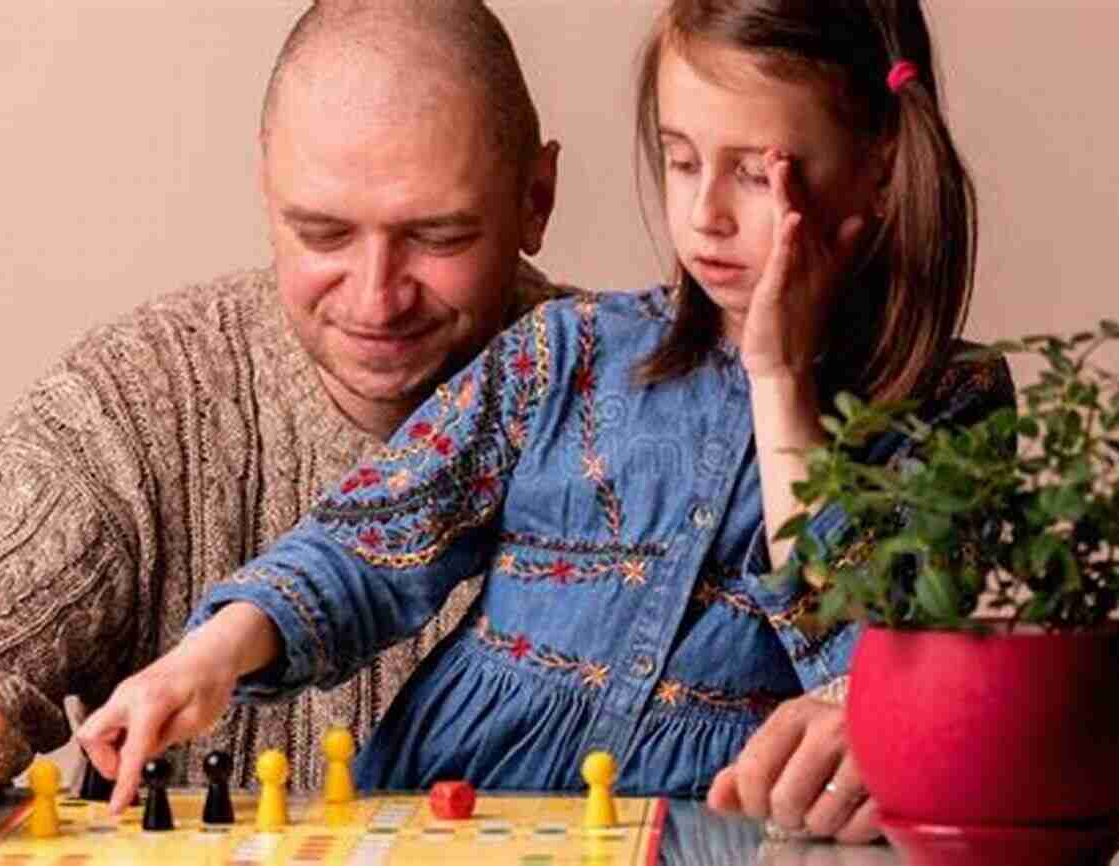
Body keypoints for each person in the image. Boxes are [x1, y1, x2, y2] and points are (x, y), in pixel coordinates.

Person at [78, 0, 1014, 846]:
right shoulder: (564, 352)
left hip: (698, 835)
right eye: (682, 159)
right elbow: (368, 541)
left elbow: (872, 669)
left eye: (759, 176)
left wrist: (781, 378)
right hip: (445, 817)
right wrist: (204, 658)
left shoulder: (952, 408)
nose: (704, 214)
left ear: (880, 168)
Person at [0, 0, 564, 847]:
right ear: (267, 188)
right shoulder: (136, 399)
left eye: (438, 235)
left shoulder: (653, 406)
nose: (377, 297)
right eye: (323, 232)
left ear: (536, 198)